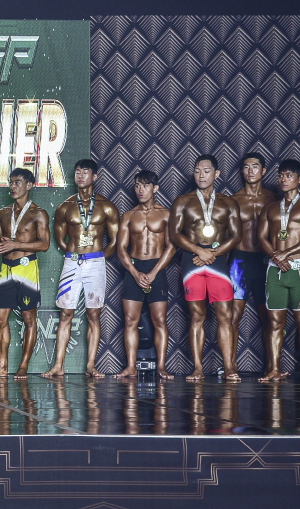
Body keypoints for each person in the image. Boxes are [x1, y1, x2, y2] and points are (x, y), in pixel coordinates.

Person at [168, 154, 242, 382]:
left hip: (217, 261)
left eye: (207, 171)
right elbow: (174, 234)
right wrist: (198, 251)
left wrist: (212, 254)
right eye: (197, 171)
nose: (201, 175)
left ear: (216, 174)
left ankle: (229, 367)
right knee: (197, 315)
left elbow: (236, 235)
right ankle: (198, 368)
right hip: (192, 261)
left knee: (225, 315)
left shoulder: (228, 202)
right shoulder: (183, 201)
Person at [43, 158, 119, 378]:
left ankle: (91, 366)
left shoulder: (106, 206)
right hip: (72, 262)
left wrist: (97, 258)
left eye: (85, 172)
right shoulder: (65, 206)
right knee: (66, 313)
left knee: (94, 314)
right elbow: (60, 238)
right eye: (77, 172)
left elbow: (115, 240)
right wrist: (74, 253)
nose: (80, 176)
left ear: (94, 177)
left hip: (96, 263)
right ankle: (58, 365)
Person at [257, 158, 300, 383]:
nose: (283, 179)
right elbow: (261, 237)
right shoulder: (270, 208)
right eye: (281, 175)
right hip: (274, 269)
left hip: (298, 268)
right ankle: (274, 369)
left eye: (289, 175)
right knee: (275, 322)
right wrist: (275, 256)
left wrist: (286, 253)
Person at [0, 168, 51, 379]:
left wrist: (16, 244)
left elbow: (45, 244)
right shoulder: (2, 213)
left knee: (29, 318)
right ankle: (2, 365)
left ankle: (23, 366)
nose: (12, 186)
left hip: (27, 269)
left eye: (17, 182)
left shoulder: (38, 213)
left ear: (29, 185)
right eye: (11, 182)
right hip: (7, 269)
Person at [115, 170, 175, 381]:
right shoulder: (128, 216)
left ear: (155, 188)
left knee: (160, 320)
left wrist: (154, 272)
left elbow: (172, 246)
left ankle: (161, 367)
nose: (140, 190)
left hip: (156, 267)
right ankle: (131, 366)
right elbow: (121, 249)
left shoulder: (166, 214)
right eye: (137, 185)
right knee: (130, 320)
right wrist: (135, 272)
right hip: (134, 268)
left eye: (145, 185)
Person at [228, 152, 274, 345]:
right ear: (241, 171)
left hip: (266, 260)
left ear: (263, 171)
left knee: (271, 317)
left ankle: (272, 362)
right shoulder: (234, 200)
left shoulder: (274, 199)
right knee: (232, 316)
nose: (250, 171)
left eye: (255, 166)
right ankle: (231, 362)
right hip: (240, 260)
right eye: (246, 167)